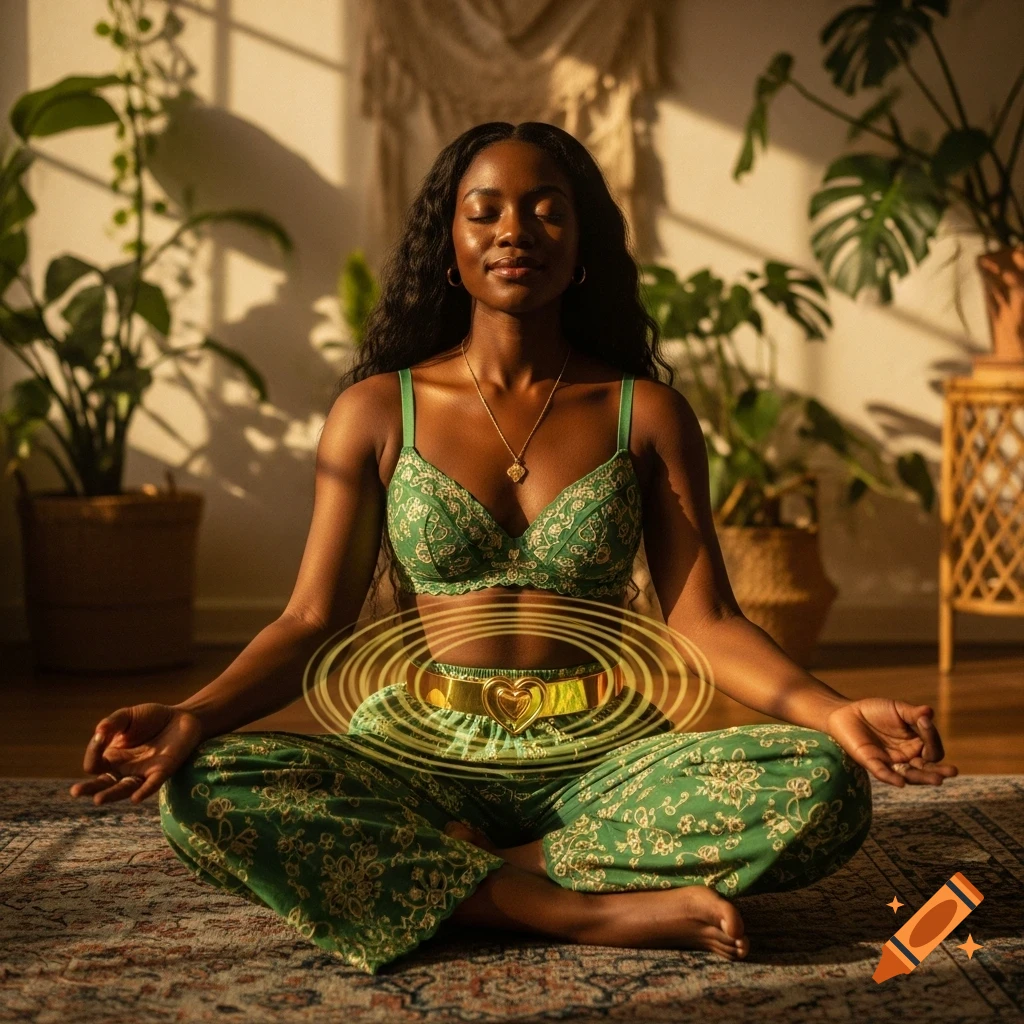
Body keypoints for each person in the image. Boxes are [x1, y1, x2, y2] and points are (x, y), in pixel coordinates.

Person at [69, 121, 958, 976]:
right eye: (484, 209)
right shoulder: (379, 411)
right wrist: (194, 713)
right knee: (210, 786)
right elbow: (311, 620)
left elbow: (708, 620)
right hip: (421, 749)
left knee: (822, 783)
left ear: (583, 245)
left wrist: (835, 711)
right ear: (447, 241)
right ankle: (568, 905)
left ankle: (486, 874)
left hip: (597, 751)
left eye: (546, 209)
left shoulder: (642, 413)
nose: (513, 231)